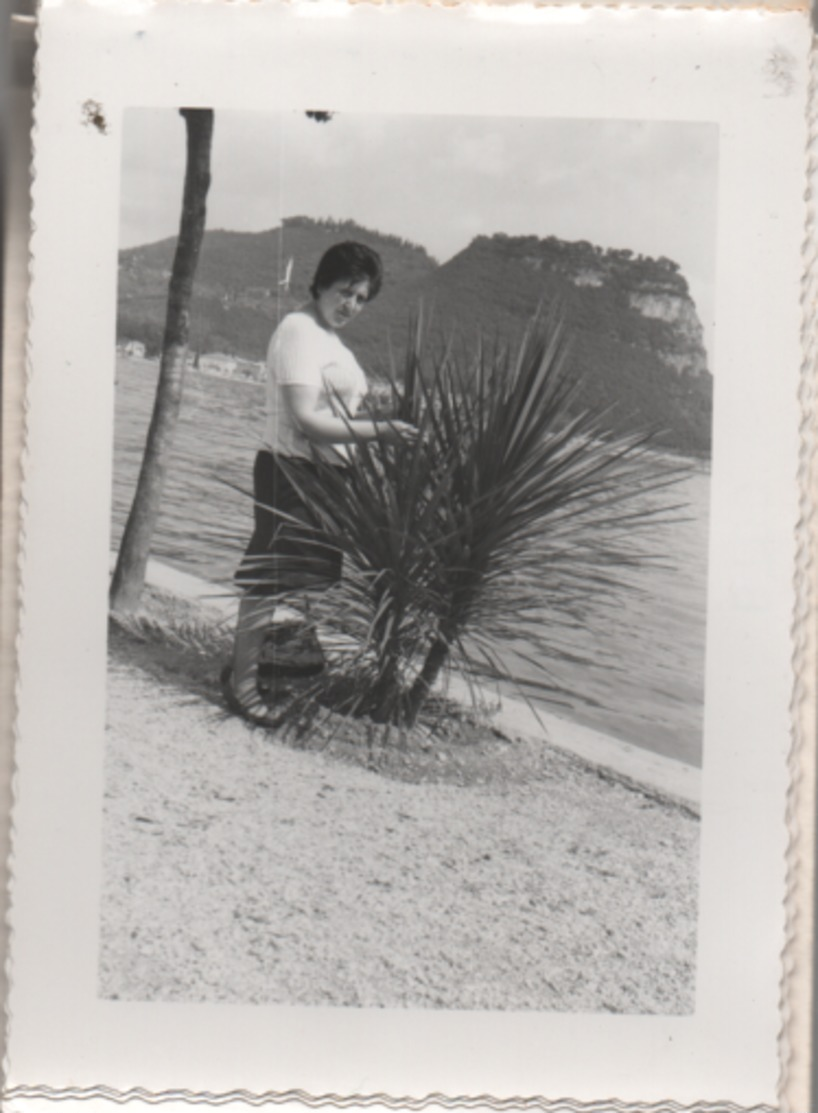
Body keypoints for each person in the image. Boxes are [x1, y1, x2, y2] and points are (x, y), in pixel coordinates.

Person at [226, 241, 418, 722]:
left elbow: (342, 413)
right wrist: (383, 433)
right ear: (321, 283)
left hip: (329, 474)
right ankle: (242, 683)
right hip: (291, 468)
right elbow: (306, 419)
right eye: (345, 291)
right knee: (267, 579)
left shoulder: (333, 343)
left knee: (305, 577)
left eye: (361, 298)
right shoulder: (298, 330)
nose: (351, 305)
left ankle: (265, 668)